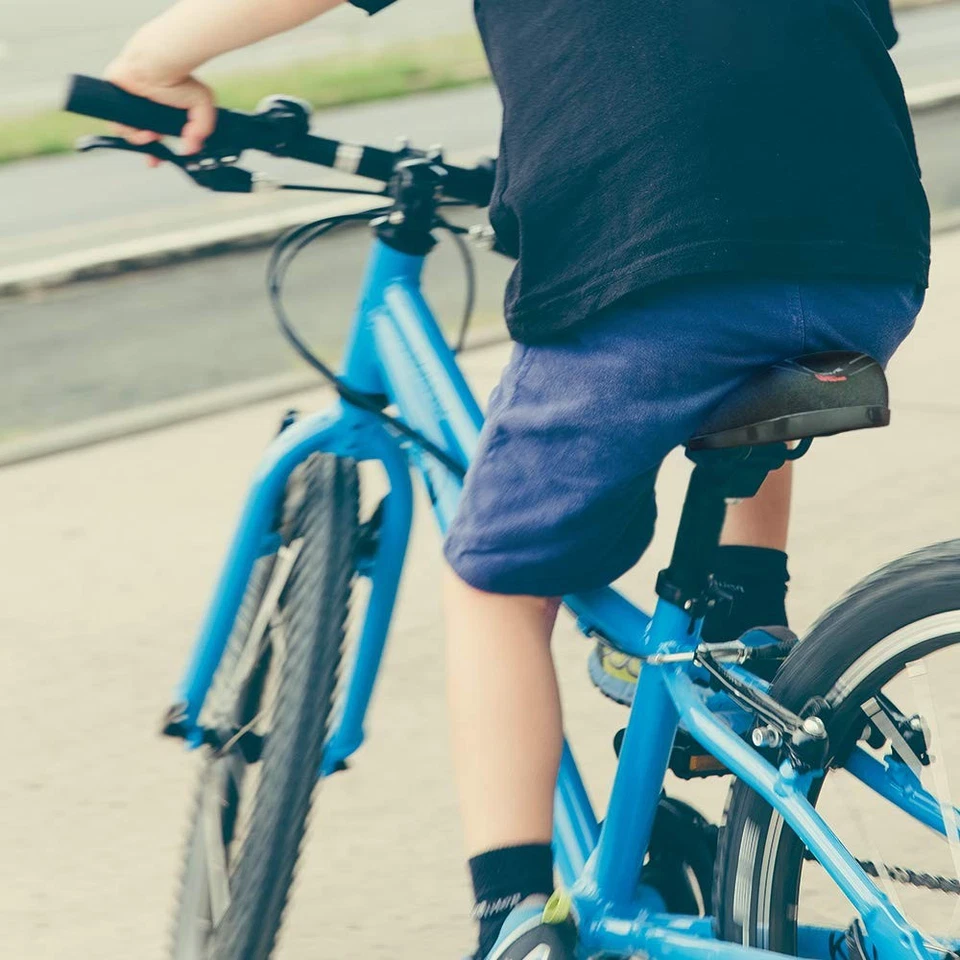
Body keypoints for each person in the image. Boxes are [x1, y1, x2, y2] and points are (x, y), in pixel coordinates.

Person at [105, 0, 930, 956]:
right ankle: (743, 629)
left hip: (661, 251)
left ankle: (508, 921)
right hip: (868, 261)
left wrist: (150, 58)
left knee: (496, 583)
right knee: (748, 353)